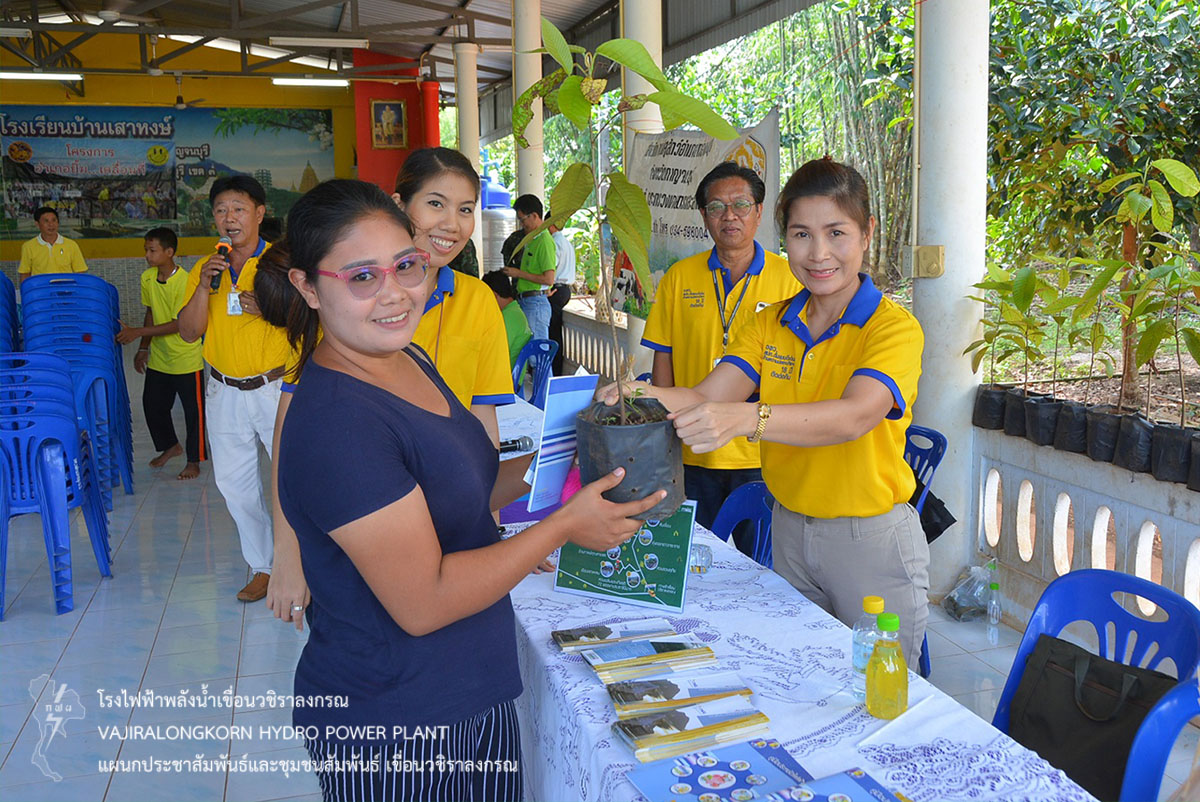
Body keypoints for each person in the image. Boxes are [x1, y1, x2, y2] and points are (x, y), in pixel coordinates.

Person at [263, 177, 664, 801]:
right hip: (398, 725)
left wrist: (564, 462)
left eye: (406, 266)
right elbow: (423, 601)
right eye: (362, 277)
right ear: (308, 287)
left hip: (469, 690)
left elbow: (462, 488)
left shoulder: (407, 359)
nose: (395, 293)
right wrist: (561, 527)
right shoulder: (338, 424)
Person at [600, 158, 929, 666]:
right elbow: (707, 394)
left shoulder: (892, 328)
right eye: (801, 235)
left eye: (836, 233)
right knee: (804, 675)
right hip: (789, 531)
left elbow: (854, 418)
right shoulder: (771, 323)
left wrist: (748, 418)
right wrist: (636, 395)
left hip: (868, 540)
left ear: (867, 233)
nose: (818, 254)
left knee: (877, 689)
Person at [263, 147, 515, 628]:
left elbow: (482, 433)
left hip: (454, 557)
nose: (451, 223)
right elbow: (292, 436)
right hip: (382, 562)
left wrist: (494, 535)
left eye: (466, 209)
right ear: (401, 207)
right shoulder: (340, 335)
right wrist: (287, 551)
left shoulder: (456, 317)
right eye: (435, 203)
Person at [641, 162, 802, 554]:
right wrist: (664, 432)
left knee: (761, 564)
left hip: (762, 450)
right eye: (716, 207)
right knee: (688, 559)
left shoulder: (791, 280)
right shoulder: (679, 277)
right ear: (703, 215)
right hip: (692, 445)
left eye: (741, 205)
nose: (729, 216)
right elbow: (664, 355)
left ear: (759, 212)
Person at [178, 174, 294, 603]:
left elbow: (311, 318)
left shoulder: (283, 262)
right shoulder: (205, 268)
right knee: (234, 485)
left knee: (294, 481)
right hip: (224, 390)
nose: (229, 218)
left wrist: (269, 309)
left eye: (238, 209)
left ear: (259, 213)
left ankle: (305, 565)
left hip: (277, 388)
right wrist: (203, 287)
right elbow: (189, 332)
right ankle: (264, 566)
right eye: (221, 210)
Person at [116, 227, 206, 480]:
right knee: (152, 405)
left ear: (169, 252)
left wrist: (137, 332)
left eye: (152, 250)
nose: (147, 255)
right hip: (159, 357)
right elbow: (151, 312)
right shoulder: (147, 278)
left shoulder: (186, 281)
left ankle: (194, 460)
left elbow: (180, 324)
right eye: (146, 250)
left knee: (193, 414)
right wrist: (143, 347)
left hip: (186, 359)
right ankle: (171, 446)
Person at [502, 194, 555, 341]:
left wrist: (518, 273)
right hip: (527, 300)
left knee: (537, 351)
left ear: (534, 216)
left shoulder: (544, 241)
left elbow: (549, 279)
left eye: (522, 219)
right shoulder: (532, 239)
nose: (521, 224)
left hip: (535, 303)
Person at [17, 206, 88, 283]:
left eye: (54, 220)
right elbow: (25, 274)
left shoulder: (71, 245)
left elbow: (80, 272)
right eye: (46, 221)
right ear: (37, 224)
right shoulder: (28, 246)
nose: (51, 224)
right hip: (41, 289)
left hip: (66, 288)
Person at [482, 270, 532, 368]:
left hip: (506, 373)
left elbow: (495, 351)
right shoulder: (513, 311)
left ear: (493, 295)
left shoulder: (509, 316)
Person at [548, 219, 576, 375]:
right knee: (556, 331)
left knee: (553, 333)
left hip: (556, 290)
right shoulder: (567, 242)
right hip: (564, 289)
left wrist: (546, 289)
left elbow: (550, 268)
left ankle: (555, 370)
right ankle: (556, 369)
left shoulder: (554, 242)